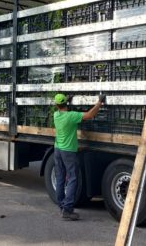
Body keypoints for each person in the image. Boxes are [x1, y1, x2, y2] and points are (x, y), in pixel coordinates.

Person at [53, 93, 106, 221]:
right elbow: (89, 115)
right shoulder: (71, 116)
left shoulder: (56, 115)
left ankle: (61, 206)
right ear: (65, 103)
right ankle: (67, 209)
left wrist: (67, 101)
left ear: (56, 105)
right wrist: (99, 102)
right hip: (68, 152)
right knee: (72, 178)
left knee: (60, 178)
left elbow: (63, 108)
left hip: (57, 150)